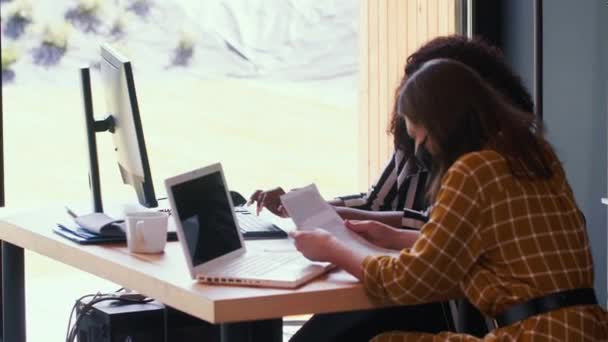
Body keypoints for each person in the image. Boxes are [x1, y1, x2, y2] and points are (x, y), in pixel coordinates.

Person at [292, 58, 608, 340]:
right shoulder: (535, 155)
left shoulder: (472, 170)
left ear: (443, 126)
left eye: (422, 139)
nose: (423, 151)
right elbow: (480, 248)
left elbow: (409, 281)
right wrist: (396, 237)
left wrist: (333, 249)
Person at [254, 36, 534, 341]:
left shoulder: (476, 168)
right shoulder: (529, 158)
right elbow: (384, 207)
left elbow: (423, 264)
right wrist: (320, 209)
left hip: (447, 306)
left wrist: (335, 249)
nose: (417, 144)